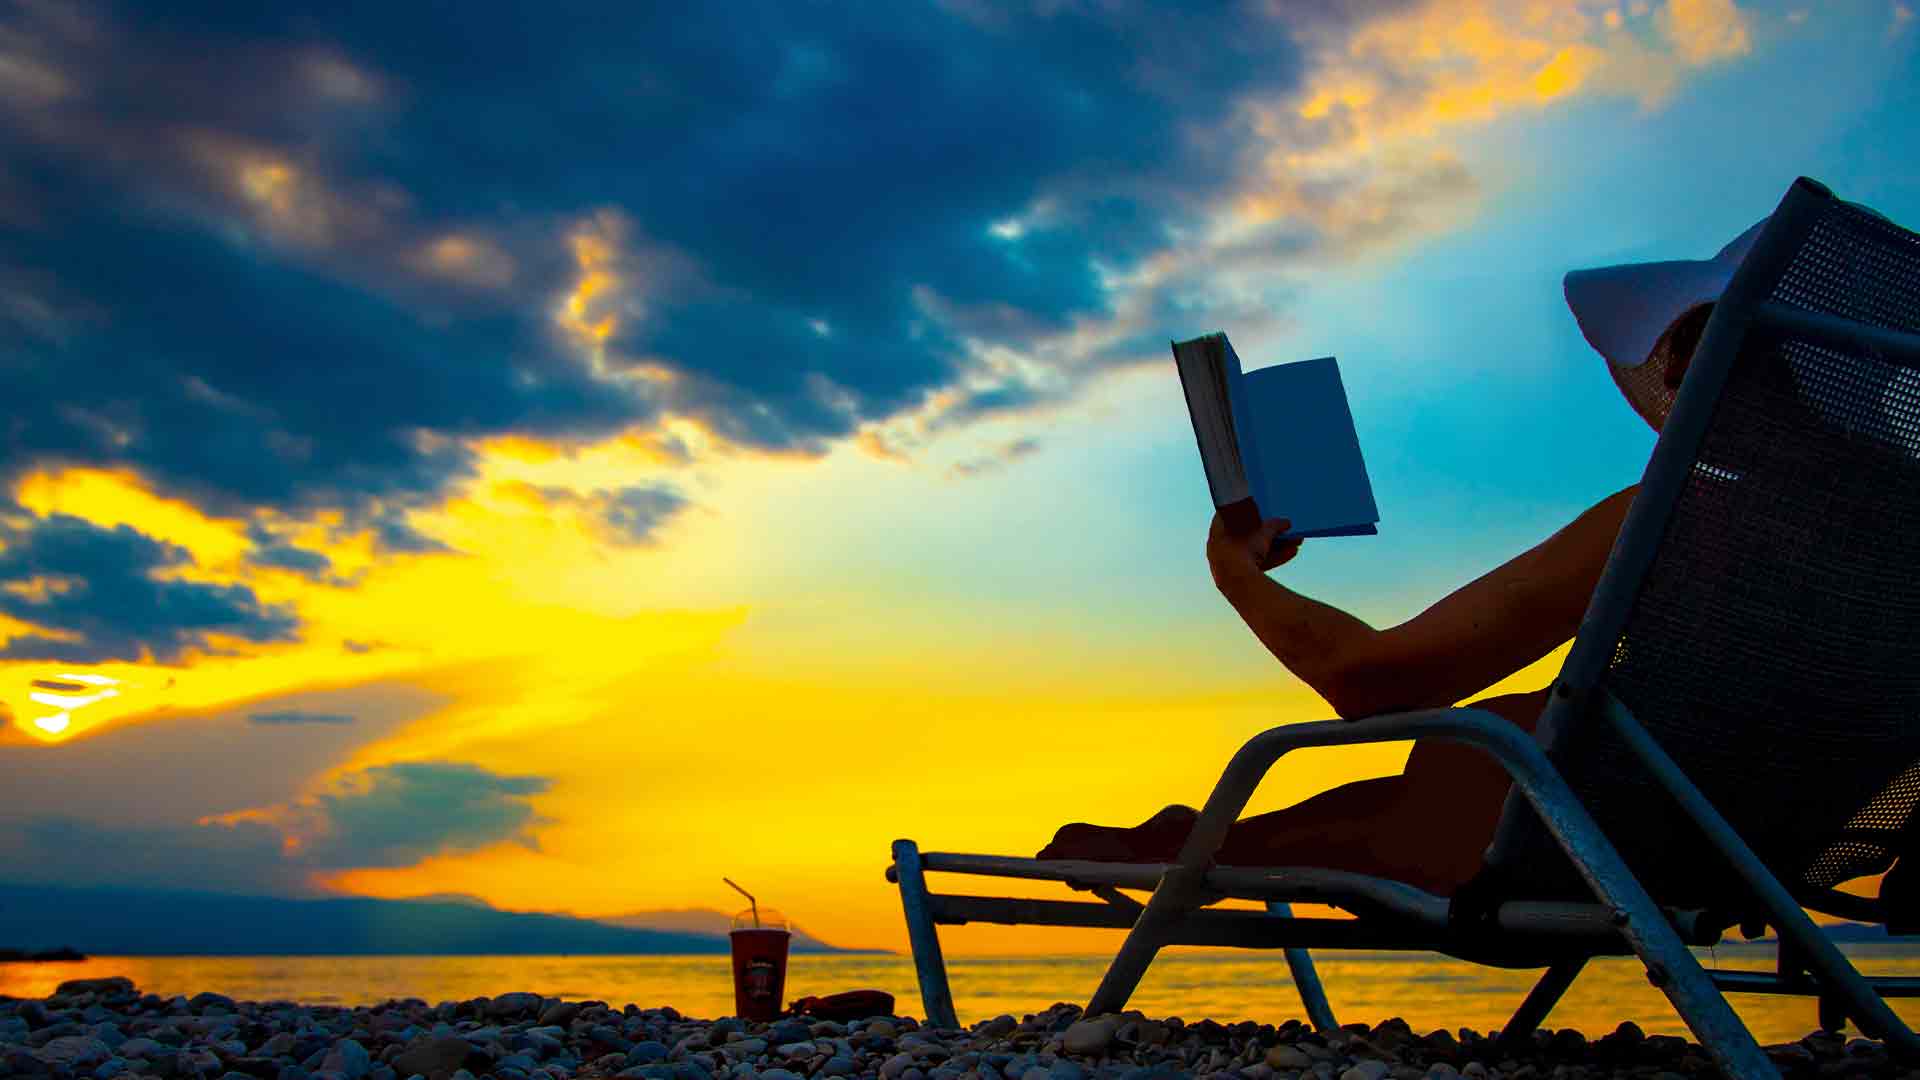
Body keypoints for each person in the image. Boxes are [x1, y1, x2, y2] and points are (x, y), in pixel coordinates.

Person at [1038, 218, 1772, 896]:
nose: (1673, 389)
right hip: (1753, 854)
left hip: (1595, 856)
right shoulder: (1874, 548)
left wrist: (1235, 574)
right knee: (1465, 770)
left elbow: (1375, 684)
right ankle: (1191, 835)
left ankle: (1183, 845)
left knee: (1450, 778)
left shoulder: (1681, 520)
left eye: (1686, 363)